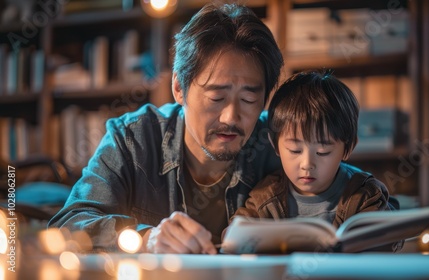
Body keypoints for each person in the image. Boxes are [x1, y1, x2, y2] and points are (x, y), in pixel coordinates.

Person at [48, 3, 284, 254]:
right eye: (217, 97)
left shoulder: (280, 142)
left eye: (249, 100)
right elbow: (67, 226)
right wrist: (146, 238)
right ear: (179, 88)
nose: (231, 117)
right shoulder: (132, 139)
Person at [228, 70, 402, 251]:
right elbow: (237, 234)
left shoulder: (364, 195)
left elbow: (386, 243)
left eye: (323, 152)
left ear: (348, 148)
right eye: (295, 150)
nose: (307, 164)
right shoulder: (265, 198)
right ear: (275, 145)